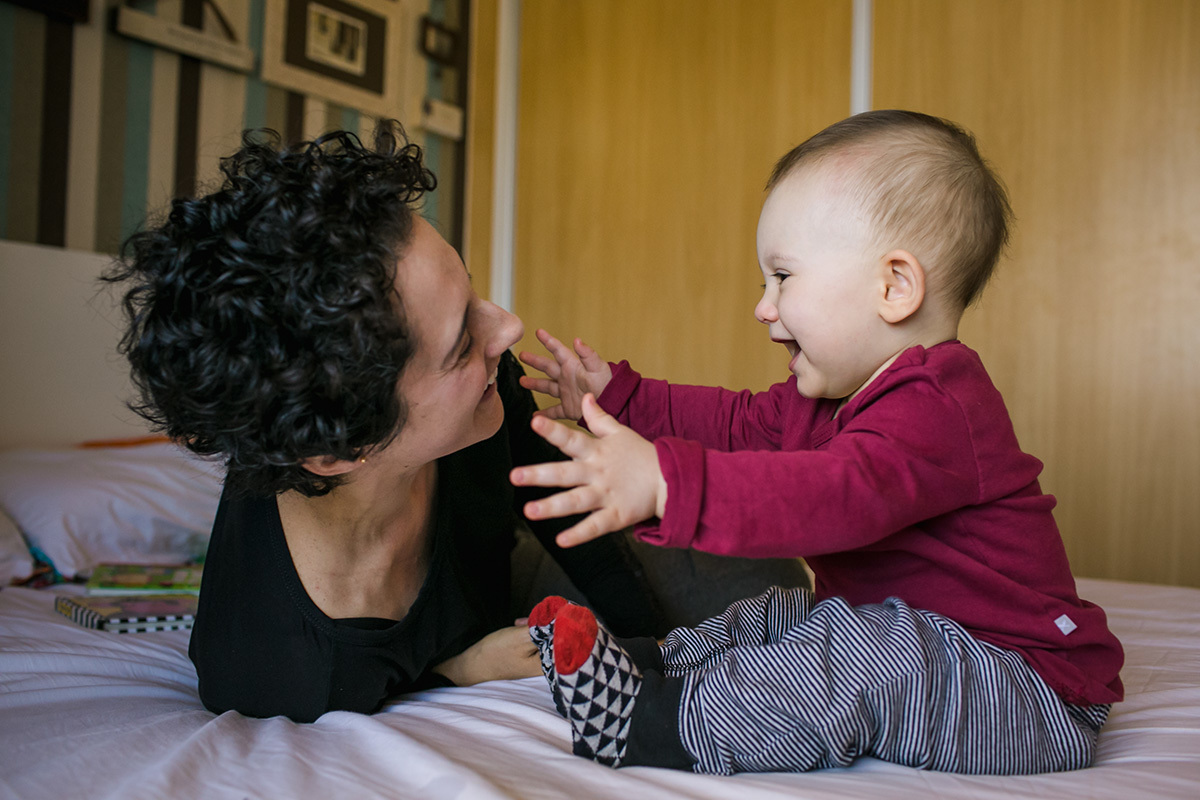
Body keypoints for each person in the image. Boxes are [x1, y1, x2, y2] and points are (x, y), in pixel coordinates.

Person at [510, 110, 1124, 775]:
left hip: (1026, 692)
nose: (763, 306)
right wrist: (619, 398)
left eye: (783, 277)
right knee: (783, 615)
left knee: (868, 651)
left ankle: (657, 725)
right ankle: (654, 665)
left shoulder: (940, 406)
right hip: (938, 648)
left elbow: (833, 495)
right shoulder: (827, 397)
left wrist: (666, 483)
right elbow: (732, 423)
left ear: (893, 287)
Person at [104, 122, 669, 723]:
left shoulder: (484, 394)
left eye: (471, 292)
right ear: (339, 448)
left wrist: (657, 646)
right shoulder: (279, 671)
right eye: (460, 343)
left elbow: (564, 504)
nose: (508, 327)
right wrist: (459, 667)